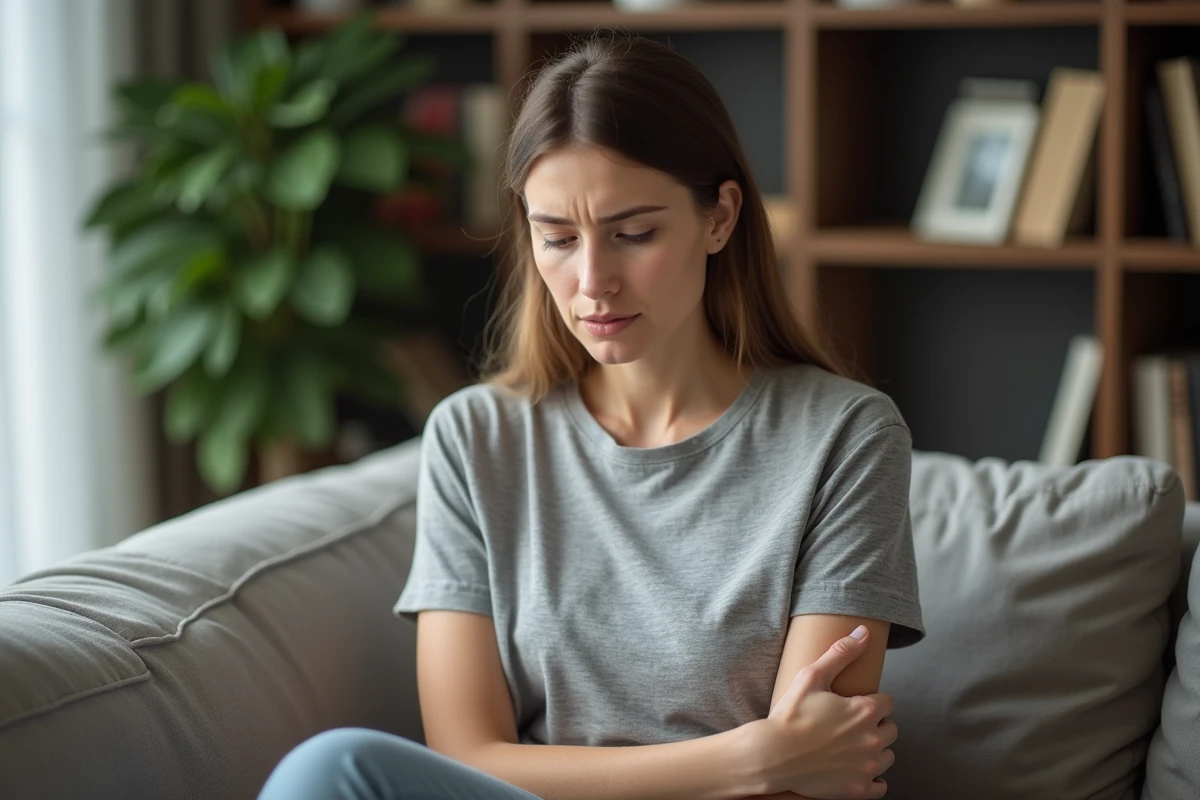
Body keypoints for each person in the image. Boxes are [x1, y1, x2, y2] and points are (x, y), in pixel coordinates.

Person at [257, 30, 923, 800]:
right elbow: (466, 755)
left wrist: (778, 767)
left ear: (720, 217)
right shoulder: (476, 438)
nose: (592, 282)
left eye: (633, 234)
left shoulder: (845, 437)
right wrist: (750, 759)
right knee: (330, 771)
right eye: (558, 239)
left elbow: (816, 774)